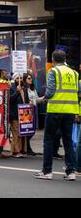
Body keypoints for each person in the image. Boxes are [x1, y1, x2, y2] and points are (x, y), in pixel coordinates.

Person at [34, 50, 79, 181]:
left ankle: (47, 171)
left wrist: (42, 98)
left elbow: (50, 92)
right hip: (70, 111)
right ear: (65, 59)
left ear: (53, 60)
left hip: (55, 110)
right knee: (68, 141)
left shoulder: (53, 71)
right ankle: (71, 172)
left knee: (48, 140)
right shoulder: (74, 73)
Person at [10, 73, 30, 158]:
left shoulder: (24, 88)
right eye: (17, 78)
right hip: (15, 113)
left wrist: (29, 102)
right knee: (16, 132)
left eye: (21, 78)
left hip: (24, 112)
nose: (20, 80)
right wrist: (17, 92)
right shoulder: (11, 88)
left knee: (23, 131)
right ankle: (15, 150)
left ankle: (23, 149)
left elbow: (27, 99)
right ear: (14, 79)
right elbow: (10, 99)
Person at [23, 73, 42, 156]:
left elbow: (36, 99)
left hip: (34, 109)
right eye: (28, 78)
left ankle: (26, 146)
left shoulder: (33, 88)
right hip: (27, 110)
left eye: (31, 78)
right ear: (25, 80)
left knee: (33, 129)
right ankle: (27, 147)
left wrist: (44, 98)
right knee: (28, 129)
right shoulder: (24, 89)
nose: (30, 80)